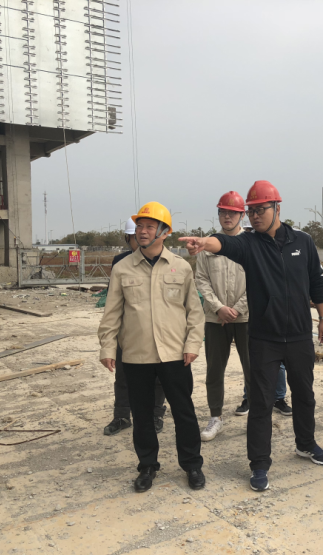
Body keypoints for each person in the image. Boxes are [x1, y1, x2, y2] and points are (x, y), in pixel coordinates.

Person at [181, 181, 323, 492]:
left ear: (277, 208)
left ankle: (305, 444)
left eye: (260, 209)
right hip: (264, 338)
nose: (254, 216)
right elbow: (225, 244)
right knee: (261, 402)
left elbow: (316, 281)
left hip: (300, 336)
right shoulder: (250, 244)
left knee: (305, 395)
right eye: (250, 211)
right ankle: (259, 463)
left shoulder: (303, 242)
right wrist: (204, 243)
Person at [98, 202, 206, 493]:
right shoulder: (122, 268)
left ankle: (192, 465)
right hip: (136, 355)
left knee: (184, 412)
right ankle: (147, 466)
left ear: (164, 232)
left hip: (175, 354)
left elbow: (194, 313)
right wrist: (107, 348)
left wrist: (192, 344)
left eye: (149, 226)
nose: (142, 231)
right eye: (139, 226)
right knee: (143, 415)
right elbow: (111, 313)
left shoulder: (181, 267)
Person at [195, 191, 253, 441]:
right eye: (223, 212)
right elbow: (201, 279)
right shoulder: (208, 245)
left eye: (232, 212)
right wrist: (218, 307)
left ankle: (257, 416)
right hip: (215, 318)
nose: (227, 216)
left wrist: (238, 308)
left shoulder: (252, 244)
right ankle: (215, 417)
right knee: (214, 370)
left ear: (242, 215)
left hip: (246, 318)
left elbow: (258, 280)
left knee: (253, 369)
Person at [104, 217, 167, 436]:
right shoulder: (121, 262)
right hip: (128, 331)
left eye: (147, 231)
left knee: (158, 376)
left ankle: (156, 414)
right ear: (128, 238)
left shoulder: (162, 261)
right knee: (123, 375)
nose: (140, 237)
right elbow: (113, 303)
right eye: (134, 236)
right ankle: (122, 415)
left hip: (157, 331)